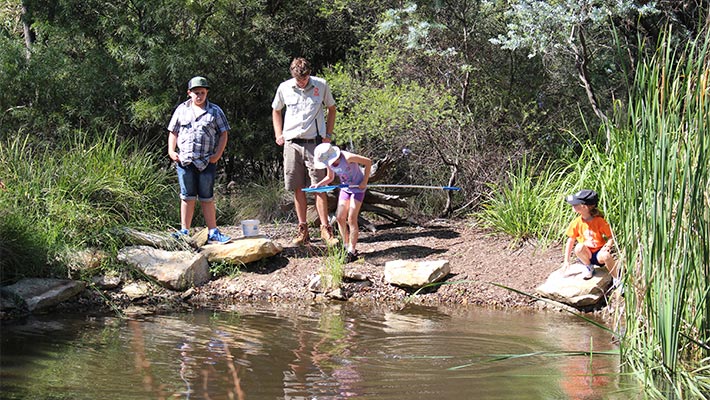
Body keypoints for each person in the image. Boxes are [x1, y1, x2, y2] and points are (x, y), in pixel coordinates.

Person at [272, 57, 338, 246]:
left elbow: (332, 108)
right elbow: (276, 110)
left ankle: (326, 229)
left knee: (319, 185)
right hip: (292, 143)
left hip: (315, 143)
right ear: (293, 76)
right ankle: (303, 230)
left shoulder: (321, 85)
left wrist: (328, 134)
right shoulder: (284, 87)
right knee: (297, 186)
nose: (303, 82)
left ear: (309, 73)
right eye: (299, 79)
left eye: (305, 78)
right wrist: (278, 134)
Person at [167, 76, 231, 244]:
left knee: (207, 197)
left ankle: (213, 231)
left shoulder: (215, 111)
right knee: (187, 196)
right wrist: (171, 151)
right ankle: (184, 231)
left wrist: (217, 155)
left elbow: (224, 133)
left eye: (202, 92)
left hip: (206, 162)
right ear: (189, 93)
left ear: (207, 92)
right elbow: (173, 131)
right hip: (185, 161)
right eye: (196, 93)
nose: (199, 96)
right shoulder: (181, 110)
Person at [312, 143, 372, 262]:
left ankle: (352, 250)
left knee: (351, 218)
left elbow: (368, 162)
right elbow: (330, 177)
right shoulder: (329, 163)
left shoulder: (348, 157)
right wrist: (318, 185)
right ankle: (345, 246)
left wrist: (364, 181)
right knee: (340, 217)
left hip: (357, 188)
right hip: (345, 188)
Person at [562, 189, 618, 284]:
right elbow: (570, 240)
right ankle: (589, 267)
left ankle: (617, 278)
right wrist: (566, 261)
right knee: (579, 247)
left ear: (585, 207)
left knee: (606, 255)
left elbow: (611, 236)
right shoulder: (576, 222)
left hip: (598, 254)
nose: (573, 206)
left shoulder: (599, 221)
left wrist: (608, 246)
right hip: (586, 254)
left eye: (576, 204)